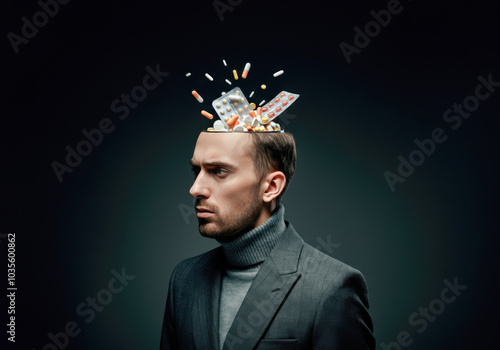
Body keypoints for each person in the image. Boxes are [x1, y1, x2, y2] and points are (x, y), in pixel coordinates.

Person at [160, 130, 375, 350]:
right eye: (197, 170)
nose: (195, 189)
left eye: (220, 171)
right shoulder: (185, 278)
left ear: (271, 187)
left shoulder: (332, 287)